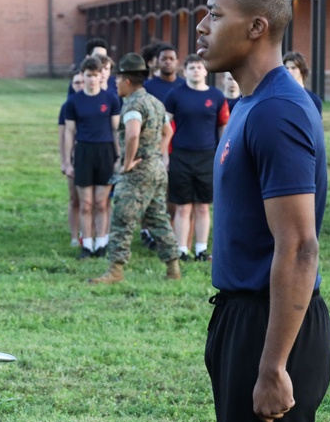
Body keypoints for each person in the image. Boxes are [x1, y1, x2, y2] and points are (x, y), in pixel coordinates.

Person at [196, 0, 330, 422]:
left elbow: (300, 246)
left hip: (273, 326)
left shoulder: (278, 110)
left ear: (256, 27)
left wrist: (273, 363)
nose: (202, 26)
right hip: (243, 315)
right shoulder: (249, 105)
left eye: (215, 14)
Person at [89, 53, 181, 283]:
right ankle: (173, 268)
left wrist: (128, 162)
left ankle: (115, 270)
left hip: (137, 172)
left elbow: (132, 134)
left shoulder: (133, 104)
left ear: (127, 81)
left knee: (122, 218)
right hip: (156, 168)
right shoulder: (155, 102)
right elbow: (168, 131)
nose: (116, 84)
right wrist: (156, 154)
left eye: (118, 79)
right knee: (158, 218)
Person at [164, 54, 229, 261]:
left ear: (206, 71)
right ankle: (181, 249)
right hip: (180, 156)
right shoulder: (175, 95)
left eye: (199, 67)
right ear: (185, 71)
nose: (196, 71)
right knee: (182, 207)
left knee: (202, 206)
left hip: (207, 156)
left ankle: (201, 249)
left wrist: (223, 155)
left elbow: (223, 128)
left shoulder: (216, 96)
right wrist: (164, 154)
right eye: (191, 68)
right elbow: (165, 128)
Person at [62, 55, 120, 258]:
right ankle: (87, 244)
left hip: (105, 152)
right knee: (85, 203)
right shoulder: (74, 102)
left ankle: (102, 243)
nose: (92, 79)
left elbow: (115, 130)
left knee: (101, 203)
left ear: (100, 76)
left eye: (95, 75)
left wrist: (119, 157)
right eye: (88, 75)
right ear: (82, 76)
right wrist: (68, 161)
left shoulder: (111, 99)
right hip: (84, 151)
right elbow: (69, 132)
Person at [59, 69, 84, 247]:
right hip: (75, 156)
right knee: (75, 198)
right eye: (76, 83)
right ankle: (75, 236)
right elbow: (63, 136)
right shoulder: (67, 106)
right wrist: (65, 161)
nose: (80, 86)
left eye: (83, 82)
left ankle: (92, 234)